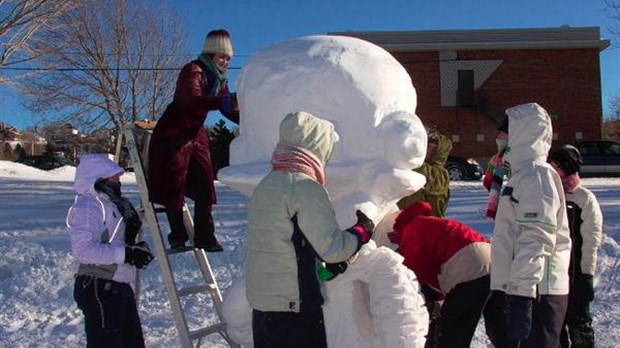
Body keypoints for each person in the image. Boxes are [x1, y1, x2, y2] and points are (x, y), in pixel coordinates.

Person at [245, 111, 375, 348]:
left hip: (264, 305)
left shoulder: (266, 185)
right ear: (316, 147)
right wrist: (362, 232)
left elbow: (285, 240)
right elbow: (333, 249)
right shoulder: (305, 187)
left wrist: (315, 265)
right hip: (294, 307)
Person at [486, 102, 571, 348]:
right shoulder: (519, 176)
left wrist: (522, 295)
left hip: (538, 292)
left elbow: (536, 237)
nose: (498, 137)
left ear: (521, 134)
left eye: (504, 132)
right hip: (522, 287)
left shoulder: (536, 175)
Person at [148, 29, 240, 252]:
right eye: (221, 56)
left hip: (195, 132)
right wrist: (220, 102)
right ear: (210, 53)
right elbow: (192, 100)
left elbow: (229, 108)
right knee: (175, 184)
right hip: (173, 132)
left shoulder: (219, 79)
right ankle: (177, 235)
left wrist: (248, 120)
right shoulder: (193, 70)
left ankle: (205, 236)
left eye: (228, 58)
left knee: (205, 184)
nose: (225, 61)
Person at [67, 154, 155, 347]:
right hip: (100, 287)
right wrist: (127, 254)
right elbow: (83, 250)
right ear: (99, 179)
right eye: (114, 177)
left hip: (118, 286)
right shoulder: (89, 206)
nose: (118, 181)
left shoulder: (111, 204)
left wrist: (135, 251)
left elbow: (115, 240)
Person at [387, 201, 492, 348]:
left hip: (468, 270)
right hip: (493, 262)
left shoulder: (411, 231)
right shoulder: (430, 223)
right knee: (500, 326)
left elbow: (412, 276)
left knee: (452, 331)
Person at [548, 145, 603, 348]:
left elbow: (591, 240)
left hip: (576, 273)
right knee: (554, 325)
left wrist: (586, 274)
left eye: (556, 166)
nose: (552, 170)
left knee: (579, 323)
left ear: (567, 168)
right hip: (553, 274)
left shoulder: (584, 199)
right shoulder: (548, 195)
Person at [397, 129, 452, 217]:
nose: (428, 150)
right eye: (428, 146)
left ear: (441, 152)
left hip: (425, 221)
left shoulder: (441, 174)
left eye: (433, 148)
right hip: (402, 217)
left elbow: (423, 172)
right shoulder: (415, 164)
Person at [483, 116, 509, 219]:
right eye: (499, 134)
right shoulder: (498, 157)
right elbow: (489, 182)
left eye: (502, 134)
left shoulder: (507, 155)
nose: (498, 137)